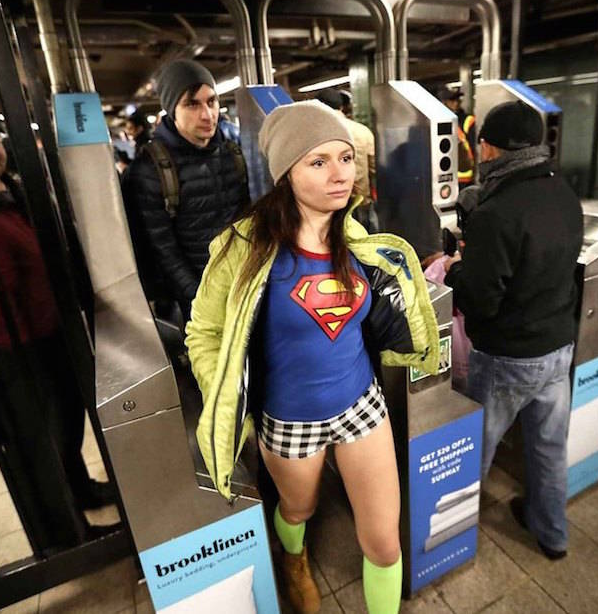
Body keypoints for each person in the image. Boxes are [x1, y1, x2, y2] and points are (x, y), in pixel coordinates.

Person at [185, 100, 439, 614]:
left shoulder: (358, 238)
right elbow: (203, 333)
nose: (339, 174)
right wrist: (229, 394)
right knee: (298, 510)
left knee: (384, 543)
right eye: (318, 162)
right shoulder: (243, 249)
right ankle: (294, 558)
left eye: (344, 158)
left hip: (361, 405)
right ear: (286, 173)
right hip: (289, 419)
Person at [0, 95, 115, 548]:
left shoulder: (15, 191)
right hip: (2, 352)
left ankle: (80, 491)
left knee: (66, 427)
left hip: (51, 333)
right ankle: (63, 540)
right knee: (35, 449)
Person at [443, 100, 583, 560]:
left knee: (475, 453)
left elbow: (480, 300)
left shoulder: (497, 210)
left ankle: (452, 541)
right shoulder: (564, 192)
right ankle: (553, 534)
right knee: (549, 449)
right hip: (558, 348)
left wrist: (456, 269)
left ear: (487, 149)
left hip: (507, 358)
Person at [121, 59, 250, 320]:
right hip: (199, 299)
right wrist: (200, 299)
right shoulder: (151, 170)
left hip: (245, 284)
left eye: (211, 101)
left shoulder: (233, 153)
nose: (207, 114)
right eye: (192, 104)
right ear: (172, 110)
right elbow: (164, 250)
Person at [315, 88, 378, 232]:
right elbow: (374, 168)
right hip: (360, 201)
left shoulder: (314, 134)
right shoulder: (362, 131)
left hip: (328, 205)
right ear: (342, 107)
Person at [438, 87, 477, 187]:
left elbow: (475, 149)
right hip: (443, 178)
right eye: (452, 100)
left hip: (464, 179)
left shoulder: (468, 120)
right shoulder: (436, 122)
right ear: (444, 102)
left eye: (457, 99)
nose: (456, 103)